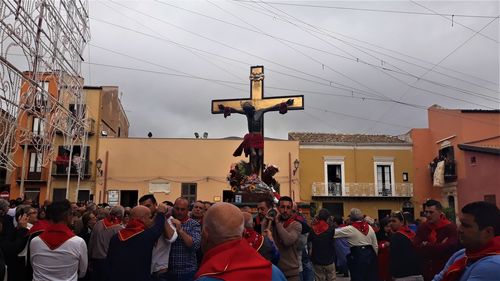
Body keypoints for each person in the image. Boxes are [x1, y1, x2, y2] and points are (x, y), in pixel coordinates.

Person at [195, 202, 286, 281]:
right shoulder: (274, 272)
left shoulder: (207, 277)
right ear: (243, 233)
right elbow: (276, 256)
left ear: (205, 234)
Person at [218, 99, 294, 174]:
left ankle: (259, 168)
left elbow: (272, 107)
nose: (246, 109)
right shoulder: (247, 113)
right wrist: (225, 108)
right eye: (245, 108)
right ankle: (254, 170)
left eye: (247, 107)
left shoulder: (260, 111)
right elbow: (235, 110)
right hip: (252, 136)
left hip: (259, 136)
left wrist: (285, 104)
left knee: (260, 154)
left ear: (252, 107)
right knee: (253, 154)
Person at [432, 201, 500, 281]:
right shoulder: (461, 254)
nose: (459, 229)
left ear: (488, 232)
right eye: (460, 224)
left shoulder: (493, 264)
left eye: (466, 225)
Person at [106, 203, 169, 281]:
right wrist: (161, 212)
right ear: (143, 219)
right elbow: (158, 227)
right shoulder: (145, 236)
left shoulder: (115, 237)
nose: (151, 220)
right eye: (150, 217)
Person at [30, 199, 87, 281]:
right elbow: (82, 272)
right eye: (72, 213)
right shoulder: (78, 242)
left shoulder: (35, 241)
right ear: (68, 216)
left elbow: (33, 265)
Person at [414, 199, 459, 281]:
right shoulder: (423, 227)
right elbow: (416, 247)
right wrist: (440, 245)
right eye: (426, 212)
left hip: (445, 271)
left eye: (431, 212)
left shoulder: (450, 227)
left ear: (439, 212)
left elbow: (450, 247)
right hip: (426, 272)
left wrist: (426, 245)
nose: (428, 215)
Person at [263, 196, 302, 281]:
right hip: (275, 272)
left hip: (292, 274)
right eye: (282, 207)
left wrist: (277, 222)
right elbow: (264, 238)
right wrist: (266, 219)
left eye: (288, 208)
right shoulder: (272, 223)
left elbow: (287, 241)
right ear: (278, 208)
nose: (285, 210)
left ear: (291, 209)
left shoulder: (296, 225)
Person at [139, 194, 177, 280]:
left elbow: (172, 238)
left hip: (160, 272)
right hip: (144, 270)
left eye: (148, 206)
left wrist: (161, 215)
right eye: (143, 207)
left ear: (155, 205)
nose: (146, 209)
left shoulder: (167, 218)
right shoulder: (141, 221)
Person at [334, 208, 378, 281]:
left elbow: (333, 233)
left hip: (357, 256)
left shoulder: (350, 229)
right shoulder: (369, 227)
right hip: (370, 256)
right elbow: (375, 245)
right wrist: (374, 257)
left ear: (351, 218)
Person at [167, 197, 201, 281]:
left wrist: (180, 230)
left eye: (183, 209)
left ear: (187, 210)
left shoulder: (194, 224)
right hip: (169, 271)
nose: (179, 212)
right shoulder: (168, 222)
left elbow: (194, 245)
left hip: (187, 272)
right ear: (173, 208)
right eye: (177, 209)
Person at [88, 205, 124, 281]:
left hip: (95, 261)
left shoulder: (98, 224)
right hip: (109, 262)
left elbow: (91, 243)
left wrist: (89, 259)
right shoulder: (119, 229)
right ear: (120, 216)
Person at [389, 211, 423, 281]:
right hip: (418, 274)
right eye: (390, 221)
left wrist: (393, 274)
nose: (391, 224)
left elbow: (394, 258)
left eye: (394, 221)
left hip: (403, 276)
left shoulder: (396, 237)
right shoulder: (413, 234)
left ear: (402, 222)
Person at [308, 208, 336, 281]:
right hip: (329, 260)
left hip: (317, 261)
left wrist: (313, 223)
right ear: (327, 218)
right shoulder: (331, 229)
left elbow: (309, 241)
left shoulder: (312, 229)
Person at [376, 217, 391, 281]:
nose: (388, 228)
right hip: (381, 258)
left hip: (389, 258)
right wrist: (384, 245)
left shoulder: (391, 234)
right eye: (387, 226)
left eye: (389, 226)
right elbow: (375, 246)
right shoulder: (377, 234)